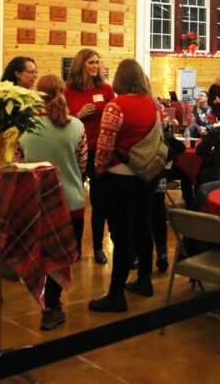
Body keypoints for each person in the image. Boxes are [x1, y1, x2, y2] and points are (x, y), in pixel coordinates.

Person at [89, 59, 166, 312]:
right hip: (147, 175)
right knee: (143, 227)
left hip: (119, 176)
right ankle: (144, 279)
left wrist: (98, 173)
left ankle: (116, 293)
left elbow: (105, 146)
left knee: (120, 234)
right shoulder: (155, 105)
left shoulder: (116, 106)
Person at [20, 74, 87, 331]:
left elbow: (19, 160)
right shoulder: (77, 126)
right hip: (70, 200)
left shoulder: (24, 126)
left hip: (35, 200)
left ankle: (43, 301)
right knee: (61, 258)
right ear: (63, 92)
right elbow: (82, 165)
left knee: (39, 256)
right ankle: (52, 305)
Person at [64, 48, 116, 265]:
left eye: (97, 62)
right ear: (81, 65)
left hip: (98, 150)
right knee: (75, 201)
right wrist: (77, 115)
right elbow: (60, 119)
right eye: (91, 62)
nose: (96, 66)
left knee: (99, 201)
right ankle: (73, 248)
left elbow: (115, 111)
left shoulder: (105, 89)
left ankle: (98, 247)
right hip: (75, 151)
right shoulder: (68, 90)